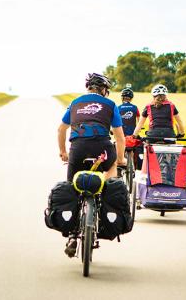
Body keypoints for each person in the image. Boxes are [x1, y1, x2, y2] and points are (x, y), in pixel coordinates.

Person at [57, 73, 126, 257]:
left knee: (72, 186)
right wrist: (120, 159)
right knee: (111, 174)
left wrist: (63, 152)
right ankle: (103, 211)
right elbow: (119, 136)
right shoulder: (110, 105)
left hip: (77, 149)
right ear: (103, 89)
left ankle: (72, 235)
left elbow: (61, 129)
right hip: (102, 148)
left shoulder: (75, 103)